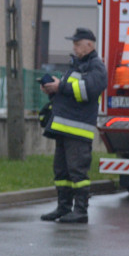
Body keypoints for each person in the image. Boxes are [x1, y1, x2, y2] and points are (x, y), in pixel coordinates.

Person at [39, 27, 107, 223]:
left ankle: (81, 211)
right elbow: (70, 92)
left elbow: (87, 91)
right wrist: (53, 89)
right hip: (64, 129)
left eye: (78, 44)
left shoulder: (96, 67)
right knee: (61, 172)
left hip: (78, 131)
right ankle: (63, 207)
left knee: (78, 172)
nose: (75, 48)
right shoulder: (77, 65)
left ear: (89, 44)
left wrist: (60, 86)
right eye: (74, 44)